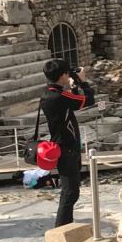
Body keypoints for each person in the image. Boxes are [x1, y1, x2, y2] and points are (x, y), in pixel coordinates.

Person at [40, 58, 94, 227]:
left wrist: (72, 86)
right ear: (63, 75)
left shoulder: (47, 93)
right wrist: (83, 81)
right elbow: (88, 100)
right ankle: (61, 229)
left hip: (60, 144)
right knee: (70, 192)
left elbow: (70, 102)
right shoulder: (60, 96)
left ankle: (66, 225)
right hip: (68, 147)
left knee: (70, 191)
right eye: (66, 73)